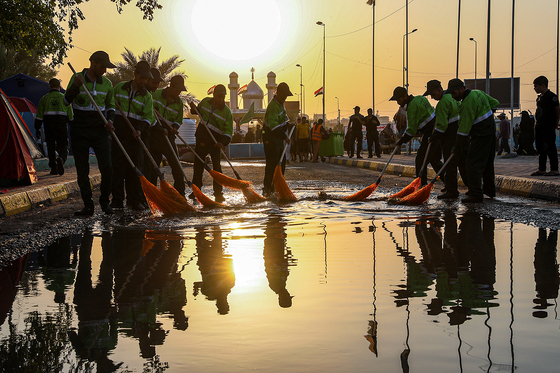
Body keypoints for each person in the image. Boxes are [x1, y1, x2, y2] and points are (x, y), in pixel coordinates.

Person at [64, 51, 116, 216]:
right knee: (82, 169)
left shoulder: (107, 84)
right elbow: (66, 101)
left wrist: (111, 120)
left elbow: (111, 106)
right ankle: (88, 205)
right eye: (102, 66)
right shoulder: (77, 78)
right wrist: (75, 86)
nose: (105, 70)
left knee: (107, 167)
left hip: (100, 129)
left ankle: (105, 202)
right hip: (80, 128)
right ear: (93, 63)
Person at [111, 61, 155, 211]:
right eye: (141, 77)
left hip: (135, 136)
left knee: (135, 169)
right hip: (119, 135)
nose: (144, 81)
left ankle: (134, 200)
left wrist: (140, 130)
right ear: (135, 74)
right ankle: (117, 201)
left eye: (146, 79)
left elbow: (149, 118)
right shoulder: (119, 88)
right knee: (117, 168)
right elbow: (110, 106)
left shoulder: (146, 96)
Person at [446, 78, 499, 203]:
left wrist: (456, 147)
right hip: (491, 132)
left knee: (472, 163)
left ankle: (475, 194)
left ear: (461, 89)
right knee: (487, 163)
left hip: (481, 135)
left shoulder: (466, 104)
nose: (453, 97)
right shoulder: (478, 93)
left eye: (454, 93)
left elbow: (463, 131)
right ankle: (489, 191)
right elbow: (495, 103)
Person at [189, 84, 233, 203]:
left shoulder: (227, 112)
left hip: (215, 143)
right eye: (218, 96)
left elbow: (228, 131)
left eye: (223, 97)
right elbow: (197, 112)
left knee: (217, 168)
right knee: (198, 166)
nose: (220, 99)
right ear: (213, 95)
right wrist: (193, 108)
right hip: (202, 139)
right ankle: (196, 191)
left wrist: (222, 142)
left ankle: (218, 193)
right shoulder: (205, 102)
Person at [390, 86, 443, 186]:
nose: (398, 102)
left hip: (430, 134)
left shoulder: (411, 107)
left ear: (405, 96)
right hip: (436, 131)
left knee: (420, 159)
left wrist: (401, 141)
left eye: (399, 99)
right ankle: (449, 185)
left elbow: (411, 130)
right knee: (434, 160)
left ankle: (422, 184)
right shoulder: (421, 98)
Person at [424, 79, 466, 199]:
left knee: (450, 164)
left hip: (450, 136)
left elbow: (441, 127)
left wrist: (433, 137)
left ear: (439, 89)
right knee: (462, 163)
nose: (432, 97)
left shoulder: (442, 103)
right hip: (461, 133)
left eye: (432, 94)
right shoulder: (453, 98)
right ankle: (470, 189)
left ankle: (452, 190)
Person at [148, 75, 187, 197]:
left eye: (180, 91)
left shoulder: (179, 103)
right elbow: (149, 115)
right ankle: (152, 194)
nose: (178, 93)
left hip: (169, 138)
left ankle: (180, 195)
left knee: (177, 167)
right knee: (153, 167)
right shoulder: (155, 95)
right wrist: (160, 129)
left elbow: (178, 119)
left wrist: (175, 128)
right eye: (177, 90)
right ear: (170, 86)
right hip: (154, 136)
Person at [35, 78, 73, 176]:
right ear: (59, 87)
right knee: (64, 144)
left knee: (51, 146)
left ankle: (53, 168)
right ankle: (62, 159)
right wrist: (73, 127)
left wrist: (37, 128)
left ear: (50, 87)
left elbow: (39, 116)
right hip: (62, 126)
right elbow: (71, 117)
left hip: (49, 126)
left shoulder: (44, 99)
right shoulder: (64, 98)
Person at [262, 82, 293, 197]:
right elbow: (274, 127)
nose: (285, 97)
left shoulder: (281, 105)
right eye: (284, 95)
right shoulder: (273, 106)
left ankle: (277, 187)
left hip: (278, 138)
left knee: (281, 162)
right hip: (270, 137)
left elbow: (284, 121)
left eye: (286, 96)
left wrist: (289, 125)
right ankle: (267, 189)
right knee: (272, 163)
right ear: (278, 93)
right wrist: (285, 137)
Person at [531, 76, 560, 176]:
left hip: (548, 125)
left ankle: (554, 169)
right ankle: (542, 169)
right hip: (539, 125)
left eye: (536, 86)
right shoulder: (540, 97)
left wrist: (557, 121)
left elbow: (557, 109)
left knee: (550, 147)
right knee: (540, 147)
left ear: (543, 85)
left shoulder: (551, 96)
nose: (535, 89)